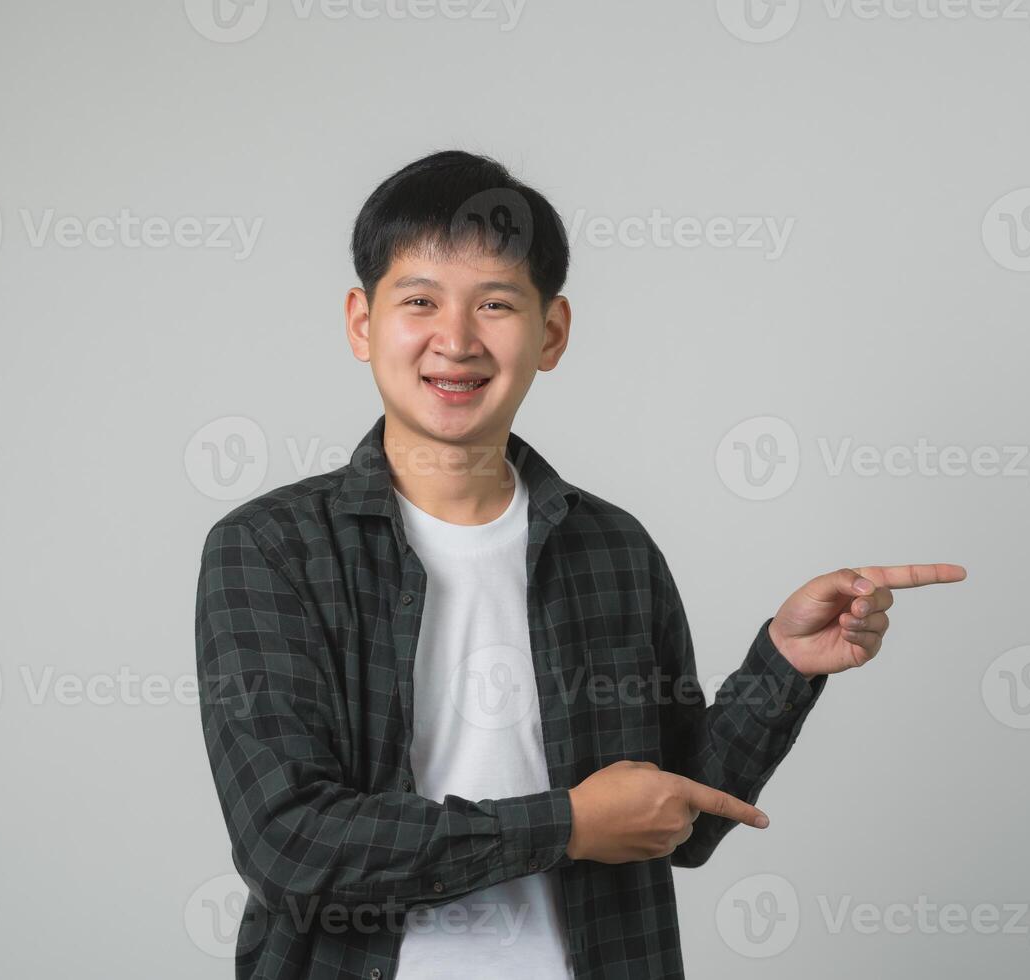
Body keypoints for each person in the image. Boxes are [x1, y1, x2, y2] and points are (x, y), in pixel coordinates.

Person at [194, 149, 967, 980]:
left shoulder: (614, 548)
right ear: (362, 321)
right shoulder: (271, 548)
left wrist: (782, 663)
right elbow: (289, 844)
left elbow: (680, 821)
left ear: (551, 332)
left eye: (494, 304)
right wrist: (564, 825)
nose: (454, 340)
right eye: (419, 300)